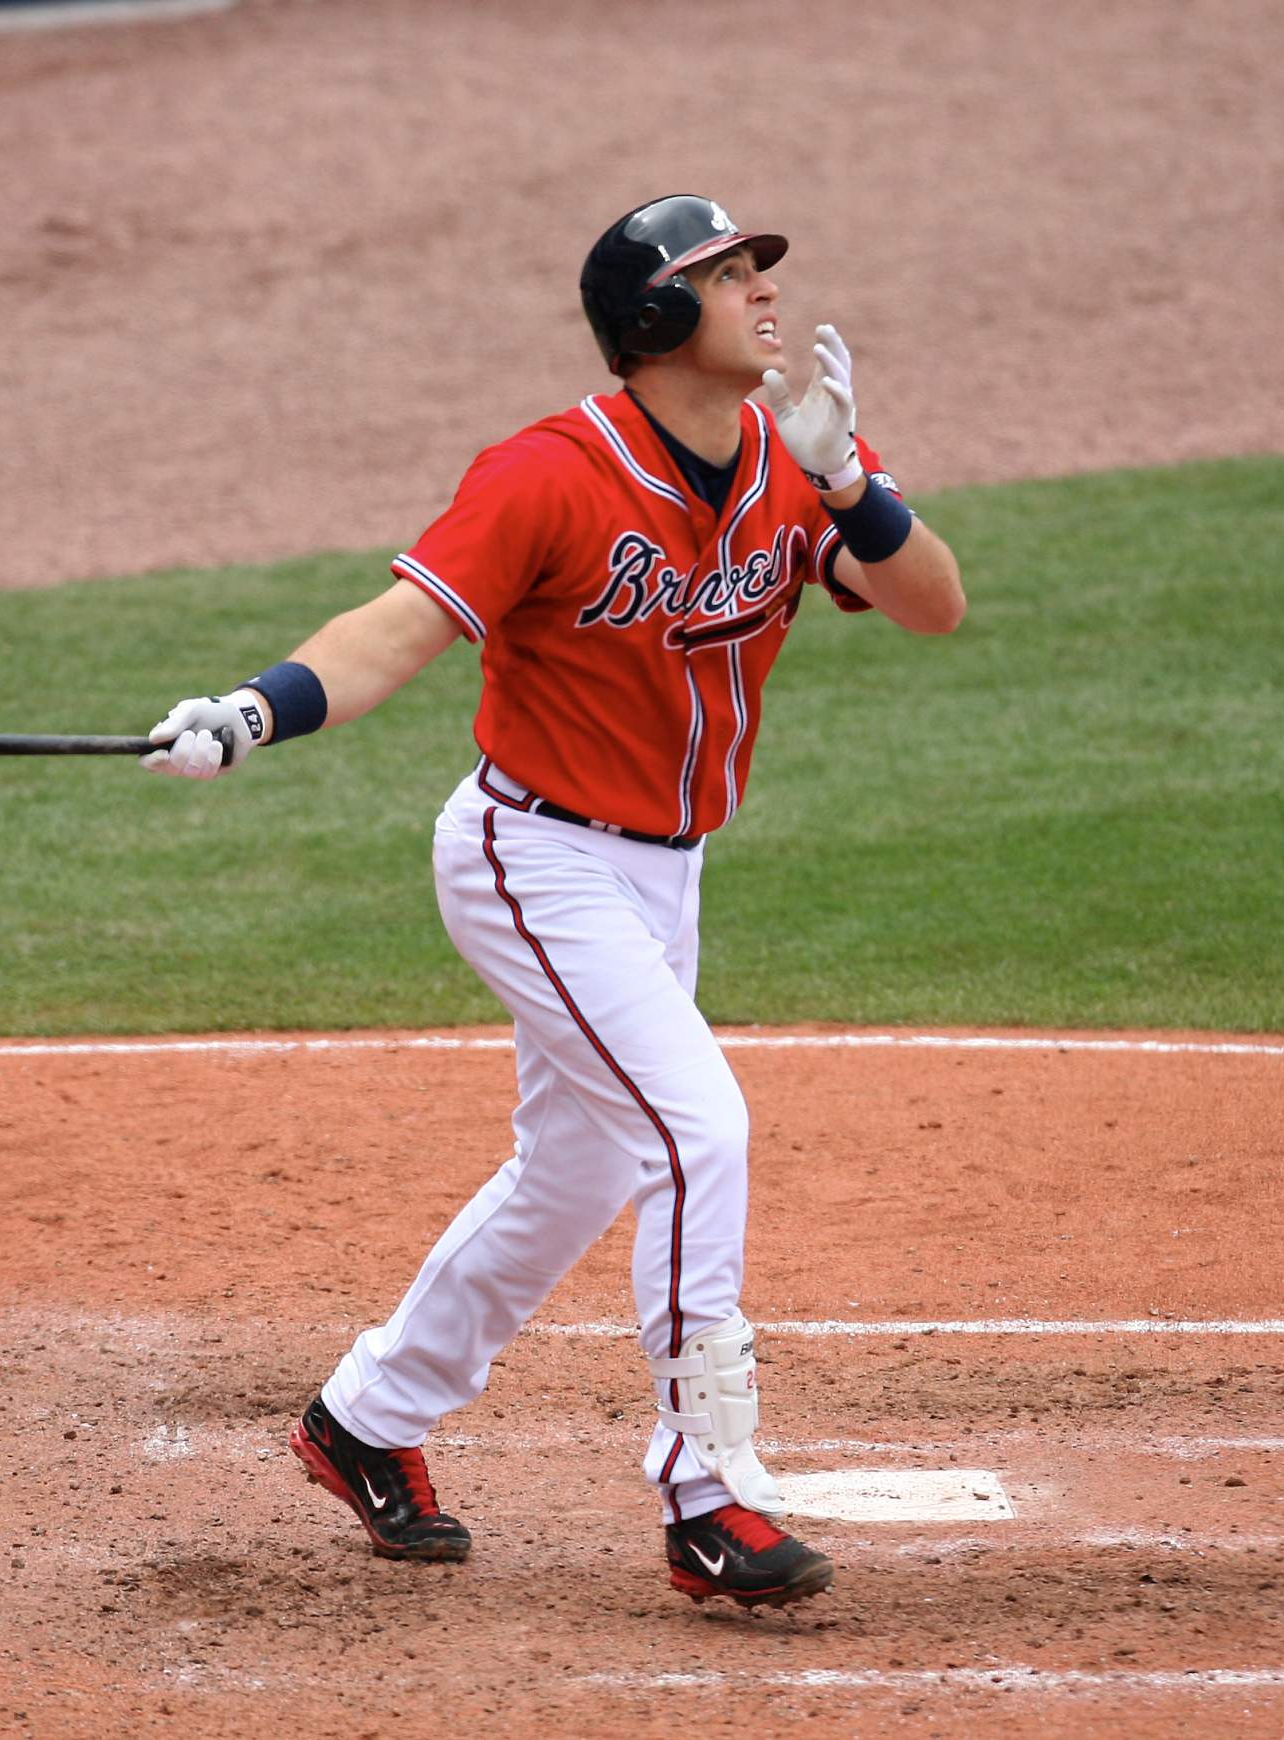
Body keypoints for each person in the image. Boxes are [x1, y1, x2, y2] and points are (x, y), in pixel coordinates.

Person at [140, 195, 965, 1606]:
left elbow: (935, 602)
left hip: (666, 871)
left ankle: (365, 1419)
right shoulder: (547, 476)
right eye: (725, 275)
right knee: (698, 1129)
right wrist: (253, 711)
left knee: (577, 1171)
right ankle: (708, 1494)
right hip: (537, 860)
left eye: (759, 267)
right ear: (653, 322)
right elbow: (395, 629)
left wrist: (851, 489)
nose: (763, 290)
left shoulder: (791, 456)